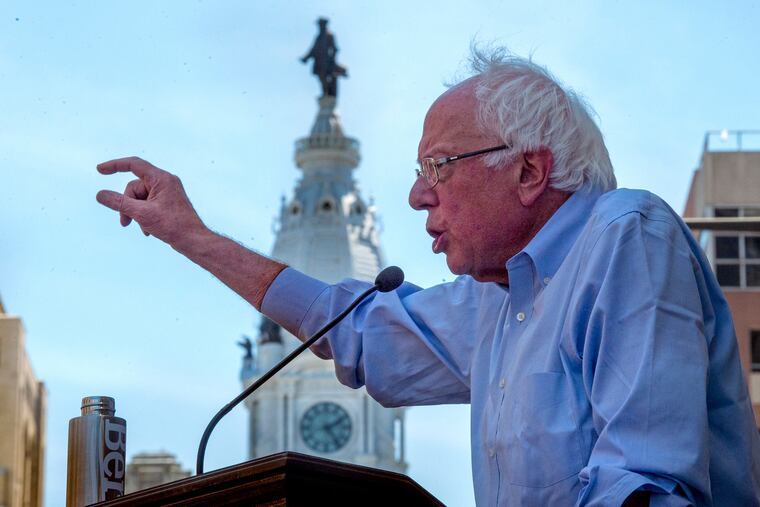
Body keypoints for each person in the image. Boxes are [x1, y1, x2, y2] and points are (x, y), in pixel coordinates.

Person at [96, 47, 760, 506]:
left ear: (529, 170)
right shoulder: (493, 303)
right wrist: (194, 237)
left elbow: (640, 484)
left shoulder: (625, 234)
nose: (418, 195)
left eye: (438, 167)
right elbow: (353, 328)